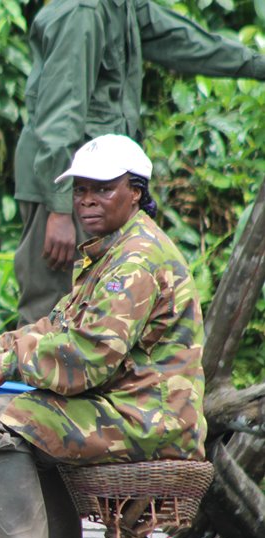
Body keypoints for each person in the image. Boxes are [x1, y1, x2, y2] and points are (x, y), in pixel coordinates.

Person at [0, 134, 206, 538]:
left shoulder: (136, 260)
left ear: (136, 191)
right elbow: (59, 325)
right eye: (80, 189)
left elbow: (87, 357)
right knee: (30, 415)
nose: (87, 200)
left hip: (148, 422)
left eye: (103, 189)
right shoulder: (115, 249)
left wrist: (5, 363)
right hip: (133, 410)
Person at [14, 0, 265, 326]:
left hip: (110, 184)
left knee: (103, 307)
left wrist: (257, 65)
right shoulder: (81, 11)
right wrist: (59, 208)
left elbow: (186, 41)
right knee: (50, 309)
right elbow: (60, 115)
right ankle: (32, 377)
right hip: (66, 185)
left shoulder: (124, 6)